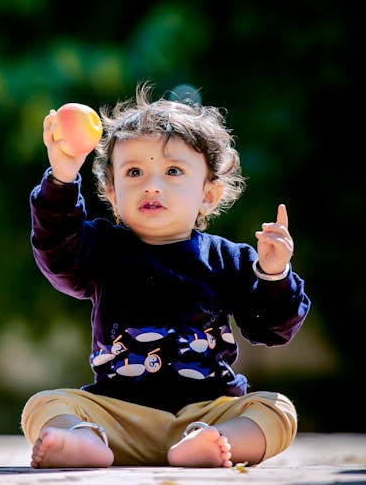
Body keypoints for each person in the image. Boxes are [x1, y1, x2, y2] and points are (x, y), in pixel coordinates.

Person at [21, 83, 310, 469]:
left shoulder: (228, 258)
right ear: (111, 190)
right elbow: (57, 252)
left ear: (208, 194)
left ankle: (217, 443)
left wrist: (274, 275)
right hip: (119, 417)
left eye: (173, 171)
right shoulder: (102, 249)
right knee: (44, 405)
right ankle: (84, 440)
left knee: (277, 409)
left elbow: (270, 328)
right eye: (134, 172)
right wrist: (62, 175)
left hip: (206, 413)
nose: (152, 184)